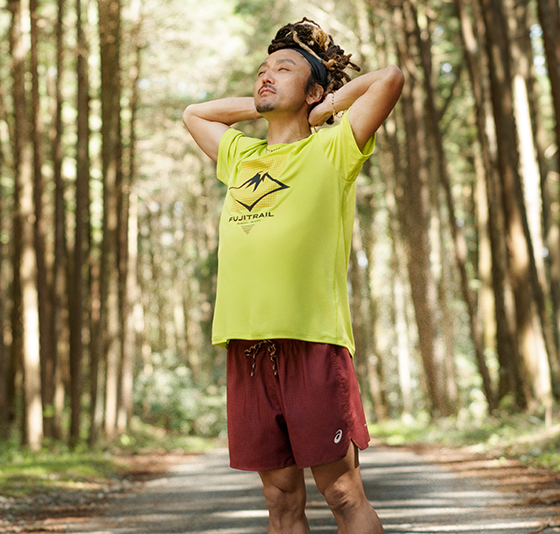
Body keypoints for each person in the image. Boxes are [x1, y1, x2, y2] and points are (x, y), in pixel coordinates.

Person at [182, 17, 403, 534]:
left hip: (314, 342)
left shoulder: (333, 148)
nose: (266, 75)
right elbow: (194, 113)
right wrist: (267, 99)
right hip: (248, 346)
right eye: (262, 69)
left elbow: (388, 76)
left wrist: (323, 108)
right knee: (279, 498)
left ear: (316, 91)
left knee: (344, 494)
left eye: (283, 69)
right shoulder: (241, 157)